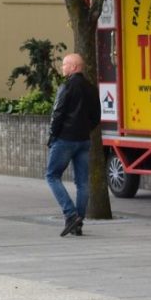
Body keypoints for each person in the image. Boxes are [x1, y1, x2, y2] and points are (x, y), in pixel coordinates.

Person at [45, 53, 101, 238]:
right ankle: (78, 222)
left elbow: (58, 113)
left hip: (65, 139)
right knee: (82, 182)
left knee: (52, 175)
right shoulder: (92, 89)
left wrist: (53, 135)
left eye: (65, 64)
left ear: (74, 67)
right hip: (84, 140)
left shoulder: (67, 87)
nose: (62, 67)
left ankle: (71, 214)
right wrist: (85, 129)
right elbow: (96, 117)